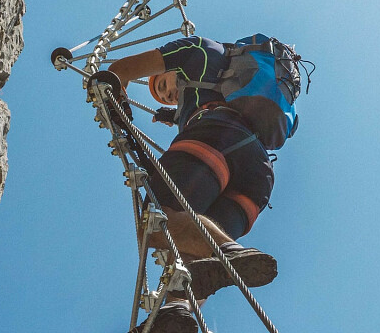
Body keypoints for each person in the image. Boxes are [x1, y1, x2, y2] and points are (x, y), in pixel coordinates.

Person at [104, 35, 290, 333]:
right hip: (258, 174)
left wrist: (112, 96)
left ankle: (229, 252)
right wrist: (178, 114)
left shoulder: (199, 49)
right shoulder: (216, 82)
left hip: (218, 136)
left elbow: (118, 71)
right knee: (192, 252)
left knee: (157, 222)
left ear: (173, 69)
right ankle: (177, 310)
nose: (167, 94)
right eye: (166, 97)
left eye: (163, 85)